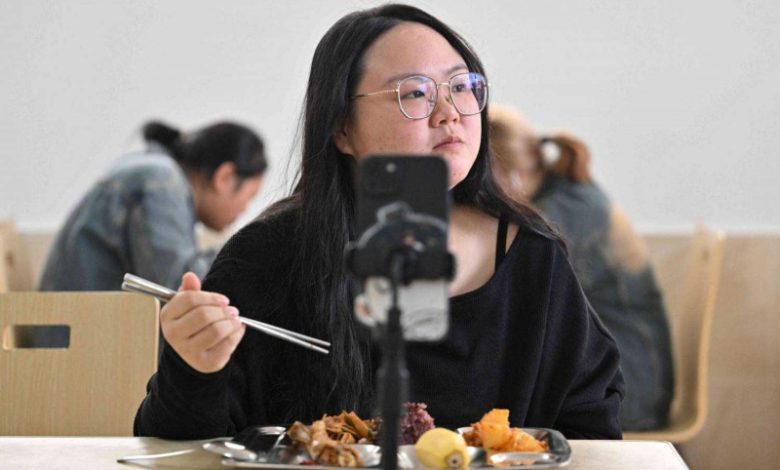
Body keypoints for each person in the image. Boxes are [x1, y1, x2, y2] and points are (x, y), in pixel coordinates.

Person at [134, 4, 623, 440]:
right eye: (415, 92)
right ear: (342, 128)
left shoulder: (531, 256)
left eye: (461, 86)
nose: (449, 113)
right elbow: (174, 443)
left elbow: (590, 427)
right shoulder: (266, 256)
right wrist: (194, 367)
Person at [489, 104, 674, 431]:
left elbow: (515, 297)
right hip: (621, 375)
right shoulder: (566, 195)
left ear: (509, 174)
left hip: (628, 388)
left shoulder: (564, 212)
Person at [39, 120, 266, 291]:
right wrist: (247, 252)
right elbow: (179, 291)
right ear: (225, 178)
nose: (245, 209)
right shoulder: (161, 181)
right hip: (81, 335)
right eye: (250, 196)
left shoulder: (153, 169)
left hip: (75, 327)